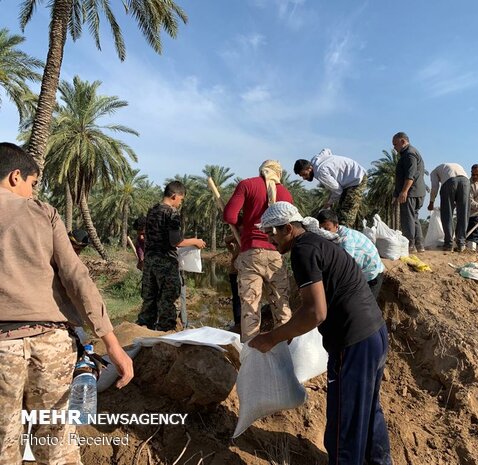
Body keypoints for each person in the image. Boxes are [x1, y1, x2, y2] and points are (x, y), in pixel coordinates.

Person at [0, 142, 133, 463]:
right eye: (32, 185)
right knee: (56, 443)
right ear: (15, 177)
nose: (32, 193)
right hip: (51, 345)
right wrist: (112, 344)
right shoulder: (43, 213)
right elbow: (77, 277)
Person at [250, 202, 392, 465]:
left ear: (288, 228)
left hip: (353, 342)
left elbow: (316, 313)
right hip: (375, 334)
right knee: (369, 411)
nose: (269, 238)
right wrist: (289, 330)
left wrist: (272, 338)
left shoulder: (303, 251)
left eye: (272, 232)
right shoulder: (317, 242)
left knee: (345, 422)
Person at [223, 160, 293, 342]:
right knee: (281, 304)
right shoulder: (285, 193)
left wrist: (246, 222)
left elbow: (229, 216)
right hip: (276, 254)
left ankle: (251, 355)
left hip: (251, 254)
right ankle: (287, 349)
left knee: (250, 307)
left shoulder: (247, 184)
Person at [136, 181, 206, 331]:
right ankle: (165, 331)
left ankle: (144, 329)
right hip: (165, 262)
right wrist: (195, 241)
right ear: (175, 196)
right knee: (168, 298)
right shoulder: (171, 213)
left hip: (149, 261)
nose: (180, 203)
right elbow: (175, 241)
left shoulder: (152, 210)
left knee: (150, 297)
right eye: (181, 199)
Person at [317, 209, 385, 299]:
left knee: (368, 307)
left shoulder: (346, 239)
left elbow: (346, 265)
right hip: (363, 273)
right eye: (321, 229)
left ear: (336, 226)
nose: (324, 232)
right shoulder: (336, 236)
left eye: (327, 229)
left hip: (372, 275)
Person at [294, 149, 367, 227]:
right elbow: (326, 150)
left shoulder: (320, 173)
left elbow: (338, 190)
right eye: (301, 176)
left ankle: (345, 236)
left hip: (357, 179)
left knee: (346, 215)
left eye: (304, 174)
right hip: (350, 178)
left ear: (310, 168)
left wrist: (328, 203)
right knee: (340, 209)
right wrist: (333, 163)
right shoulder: (316, 159)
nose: (304, 178)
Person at [392, 132, 427, 253]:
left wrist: (404, 192)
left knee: (408, 219)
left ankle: (410, 246)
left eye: (395, 144)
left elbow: (410, 176)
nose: (394, 147)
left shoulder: (409, 154)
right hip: (417, 191)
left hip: (411, 192)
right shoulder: (410, 153)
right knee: (414, 218)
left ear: (403, 141)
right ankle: (420, 245)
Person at [428, 163, 470, 252]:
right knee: (463, 213)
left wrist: (431, 202)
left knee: (447, 213)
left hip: (449, 182)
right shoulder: (455, 166)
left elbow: (435, 187)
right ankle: (461, 243)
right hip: (466, 181)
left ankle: (448, 244)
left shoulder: (434, 172)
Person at [224, 232, 242, 331]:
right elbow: (227, 240)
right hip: (235, 270)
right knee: (236, 298)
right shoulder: (237, 235)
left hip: (247, 270)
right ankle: (238, 323)